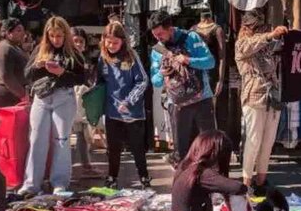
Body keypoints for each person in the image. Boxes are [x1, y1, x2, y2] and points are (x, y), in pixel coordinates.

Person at [19, 16, 86, 196]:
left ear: (65, 35)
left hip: (63, 97)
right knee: (36, 139)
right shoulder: (39, 49)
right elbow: (27, 74)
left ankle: (59, 182)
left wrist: (62, 72)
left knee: (62, 141)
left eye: (59, 36)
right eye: (52, 36)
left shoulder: (74, 53)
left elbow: (81, 78)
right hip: (42, 98)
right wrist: (38, 65)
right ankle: (32, 183)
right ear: (47, 35)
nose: (56, 40)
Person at [149, 10, 217, 163]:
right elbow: (155, 81)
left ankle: (208, 180)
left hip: (202, 99)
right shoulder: (157, 51)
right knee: (181, 151)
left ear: (170, 28)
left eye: (160, 34)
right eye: (155, 35)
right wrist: (161, 73)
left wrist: (188, 60)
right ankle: (183, 182)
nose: (157, 38)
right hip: (177, 104)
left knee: (208, 147)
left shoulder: (192, 37)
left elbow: (210, 62)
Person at [234, 9, 289, 193]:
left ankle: (261, 181)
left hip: (273, 96)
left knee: (268, 141)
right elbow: (250, 45)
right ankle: (246, 183)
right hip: (254, 96)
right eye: (257, 26)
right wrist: (270, 35)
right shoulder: (242, 44)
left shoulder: (267, 44)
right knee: (253, 141)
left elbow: (285, 48)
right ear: (247, 27)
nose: (261, 29)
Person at [97, 21, 150, 189]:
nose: (112, 46)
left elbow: (142, 81)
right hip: (112, 112)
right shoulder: (103, 58)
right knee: (113, 148)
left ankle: (144, 177)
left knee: (137, 148)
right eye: (109, 42)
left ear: (123, 41)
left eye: (115, 42)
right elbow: (99, 83)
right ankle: (112, 177)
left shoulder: (131, 56)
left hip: (132, 113)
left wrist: (129, 100)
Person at [71, 27, 101, 178]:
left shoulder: (87, 59)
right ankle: (68, 169)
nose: (78, 44)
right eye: (74, 41)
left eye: (80, 41)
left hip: (83, 99)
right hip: (69, 99)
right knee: (65, 136)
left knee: (83, 134)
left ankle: (86, 166)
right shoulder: (67, 58)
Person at [0, 18, 28, 111]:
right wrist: (23, 94)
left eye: (23, 30)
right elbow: (5, 76)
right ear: (8, 33)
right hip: (6, 96)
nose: (23, 33)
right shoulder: (4, 48)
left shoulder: (15, 47)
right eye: (18, 30)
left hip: (14, 95)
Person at [191, 11, 227, 101]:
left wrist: (220, 80)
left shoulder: (217, 30)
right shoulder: (193, 29)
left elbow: (222, 56)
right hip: (196, 71)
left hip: (211, 72)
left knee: (210, 102)